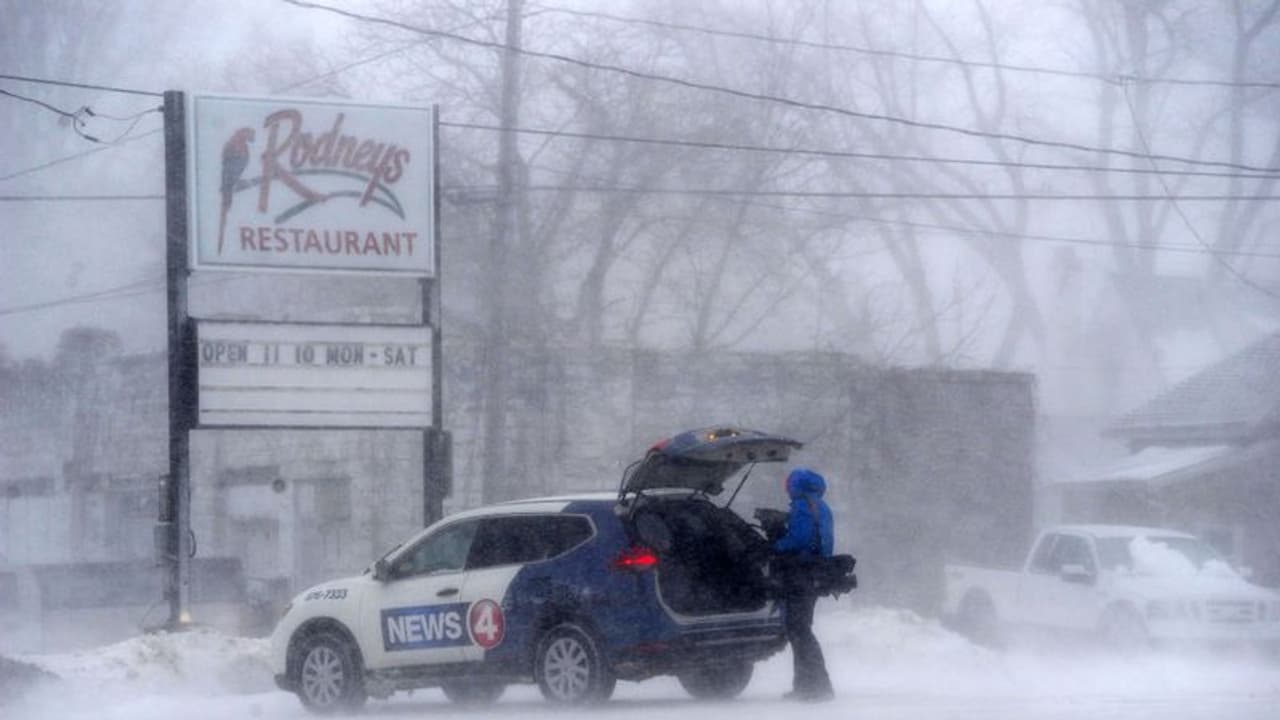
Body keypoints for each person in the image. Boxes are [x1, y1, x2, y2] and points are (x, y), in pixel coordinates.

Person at [773, 466, 835, 702]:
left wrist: (775, 546)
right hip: (815, 572)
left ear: (796, 485)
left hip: (801, 573)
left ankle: (815, 686)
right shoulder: (821, 505)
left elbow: (799, 538)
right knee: (801, 628)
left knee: (798, 630)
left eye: (789, 484)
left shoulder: (802, 506)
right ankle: (810, 685)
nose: (787, 488)